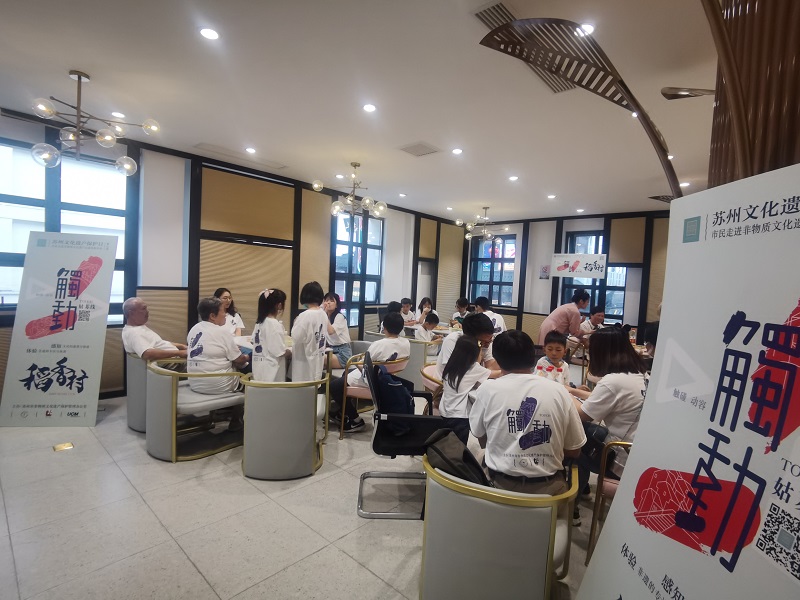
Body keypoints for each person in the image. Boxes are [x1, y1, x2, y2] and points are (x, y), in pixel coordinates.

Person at [469, 330, 586, 500]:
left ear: (497, 360)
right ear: (534, 357)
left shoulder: (487, 389)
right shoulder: (559, 391)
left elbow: (480, 435)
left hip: (498, 490)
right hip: (550, 495)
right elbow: (574, 450)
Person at [571, 327, 649, 524]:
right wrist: (571, 391)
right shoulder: (641, 375)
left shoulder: (613, 382)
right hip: (639, 453)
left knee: (573, 443)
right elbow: (602, 399)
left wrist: (559, 393)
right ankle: (584, 490)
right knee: (588, 433)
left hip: (619, 459)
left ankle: (572, 506)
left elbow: (582, 414)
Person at [329, 311, 411, 432]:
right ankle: (343, 412)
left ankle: (355, 420)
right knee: (345, 375)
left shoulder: (380, 344)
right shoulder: (406, 342)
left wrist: (358, 361)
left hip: (372, 380)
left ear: (384, 327)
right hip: (388, 378)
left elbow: (362, 365)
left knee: (334, 386)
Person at [186, 297, 248, 430]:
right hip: (215, 384)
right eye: (222, 311)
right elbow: (239, 359)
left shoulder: (194, 329)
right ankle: (237, 421)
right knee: (249, 376)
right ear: (212, 316)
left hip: (195, 381)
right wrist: (249, 356)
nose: (225, 314)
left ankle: (219, 416)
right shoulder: (222, 332)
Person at [440, 335, 491, 444]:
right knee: (459, 448)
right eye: (480, 353)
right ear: (473, 355)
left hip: (444, 412)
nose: (482, 355)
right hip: (459, 417)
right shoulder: (473, 369)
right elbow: (496, 373)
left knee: (447, 445)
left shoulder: (451, 366)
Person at [121, 297, 187, 361]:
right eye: (143, 309)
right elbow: (147, 354)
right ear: (131, 313)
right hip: (172, 363)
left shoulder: (137, 328)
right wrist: (179, 353)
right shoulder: (135, 333)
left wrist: (181, 346)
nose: (147, 311)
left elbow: (158, 343)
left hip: (175, 360)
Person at [437, 312, 499, 376]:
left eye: (490, 339)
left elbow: (490, 366)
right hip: (447, 380)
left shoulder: (486, 340)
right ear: (470, 338)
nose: (487, 345)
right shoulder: (452, 341)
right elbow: (453, 373)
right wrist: (485, 374)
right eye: (484, 342)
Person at [291, 281, 329, 382]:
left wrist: (295, 322)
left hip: (304, 363)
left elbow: (296, 337)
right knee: (314, 386)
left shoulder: (305, 316)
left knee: (303, 387)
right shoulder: (323, 314)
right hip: (317, 360)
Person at [251, 289, 291, 382]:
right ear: (279, 305)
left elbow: (253, 341)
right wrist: (289, 352)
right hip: (272, 373)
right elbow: (279, 352)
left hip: (258, 369)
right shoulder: (274, 324)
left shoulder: (259, 323)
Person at [323, 292, 352, 368]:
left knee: (320, 358)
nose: (328, 302)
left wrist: (324, 313)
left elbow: (330, 331)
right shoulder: (325, 317)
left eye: (331, 301)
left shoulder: (340, 317)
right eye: (326, 300)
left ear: (336, 305)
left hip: (343, 353)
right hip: (331, 350)